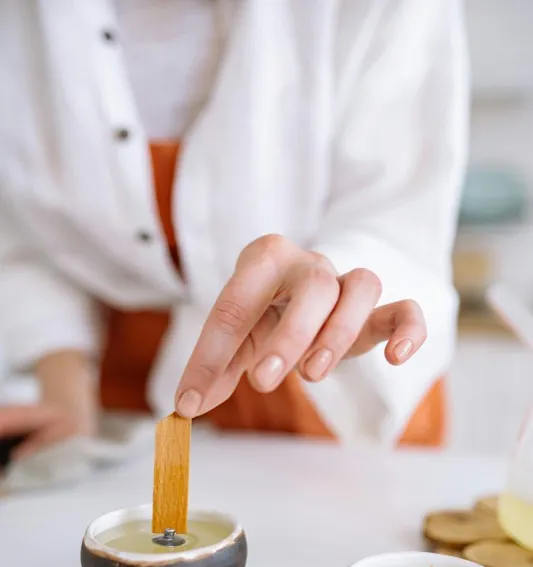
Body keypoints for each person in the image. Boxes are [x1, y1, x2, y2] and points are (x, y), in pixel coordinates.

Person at [0, 0, 468, 466]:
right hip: (122, 403)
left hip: (333, 396)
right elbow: (23, 228)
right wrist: (65, 392)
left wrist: (329, 286)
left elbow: (402, 222)